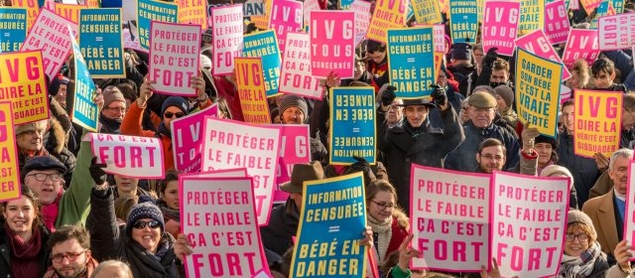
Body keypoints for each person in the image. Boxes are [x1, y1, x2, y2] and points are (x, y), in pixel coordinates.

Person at [377, 85, 464, 215]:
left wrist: (445, 106)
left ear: (427, 111)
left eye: (420, 110)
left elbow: (457, 136)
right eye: (411, 110)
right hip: (398, 207)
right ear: (404, 112)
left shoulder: (438, 138)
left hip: (429, 205)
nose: (415, 115)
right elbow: (377, 138)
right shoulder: (391, 136)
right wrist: (383, 108)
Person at [87, 175, 178, 277]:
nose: (147, 229)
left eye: (154, 224)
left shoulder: (176, 254)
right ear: (130, 231)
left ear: (161, 230)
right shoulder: (121, 253)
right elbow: (104, 225)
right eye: (140, 225)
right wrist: (101, 188)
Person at [121, 75, 209, 171]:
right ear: (162, 117)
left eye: (179, 115)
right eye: (168, 115)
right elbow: (128, 131)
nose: (174, 118)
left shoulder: (196, 141)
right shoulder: (153, 139)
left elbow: (214, 130)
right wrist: (141, 100)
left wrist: (203, 98)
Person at [260, 162, 325, 256]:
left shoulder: (338, 219)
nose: (315, 200)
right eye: (307, 194)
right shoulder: (271, 224)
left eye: (320, 195)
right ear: (292, 194)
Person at [445, 91, 520, 172]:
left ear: (494, 113)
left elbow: (515, 164)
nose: (482, 114)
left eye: (487, 110)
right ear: (469, 112)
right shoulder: (459, 135)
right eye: (477, 110)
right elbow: (449, 165)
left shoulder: (505, 136)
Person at [582, 148, 634, 265]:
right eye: (622, 169)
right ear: (610, 174)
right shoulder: (591, 208)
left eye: (632, 169)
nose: (627, 174)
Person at [558, 99, 603, 205]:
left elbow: (603, 181)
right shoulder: (556, 142)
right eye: (565, 114)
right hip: (561, 205)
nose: (569, 119)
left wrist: (604, 170)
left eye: (573, 114)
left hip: (587, 205)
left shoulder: (594, 144)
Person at [0, 185, 52, 278]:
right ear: (4, 213)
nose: (20, 215)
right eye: (13, 209)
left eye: (26, 209)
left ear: (35, 212)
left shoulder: (52, 245)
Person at [16, 119, 77, 186]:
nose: (37, 136)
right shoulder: (5, 163)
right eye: (30, 132)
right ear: (16, 136)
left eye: (40, 131)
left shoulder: (63, 158)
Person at [365, 180, 409, 262]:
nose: (386, 209)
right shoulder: (356, 228)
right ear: (368, 203)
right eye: (381, 204)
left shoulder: (401, 231)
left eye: (390, 205)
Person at [558, 210, 608, 277]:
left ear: (590, 239)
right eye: (569, 235)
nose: (576, 241)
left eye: (582, 235)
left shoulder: (607, 266)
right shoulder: (545, 266)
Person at [277, 95, 328, 161]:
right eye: (289, 111)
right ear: (281, 116)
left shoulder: (316, 146)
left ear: (304, 118)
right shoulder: (272, 145)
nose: (294, 116)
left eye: (298, 112)